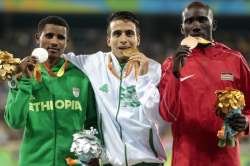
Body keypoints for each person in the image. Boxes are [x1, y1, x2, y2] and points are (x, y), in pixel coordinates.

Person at [64, 11, 166, 166]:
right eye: (117, 34)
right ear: (108, 40)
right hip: (110, 163)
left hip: (147, 162)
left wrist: (144, 79)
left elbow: (158, 117)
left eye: (129, 34)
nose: (123, 39)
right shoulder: (93, 64)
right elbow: (57, 57)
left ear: (138, 39)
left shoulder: (155, 70)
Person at [159, 1, 250, 166]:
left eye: (202, 20)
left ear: (213, 25)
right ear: (182, 28)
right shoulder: (171, 64)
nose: (196, 26)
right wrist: (175, 74)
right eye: (189, 21)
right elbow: (167, 114)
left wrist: (246, 122)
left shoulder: (235, 60)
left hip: (226, 160)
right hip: (187, 160)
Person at [4, 16, 99, 166]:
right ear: (38, 38)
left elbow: (92, 122)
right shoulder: (21, 74)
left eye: (61, 37)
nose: (54, 41)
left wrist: (91, 154)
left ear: (66, 42)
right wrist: (26, 81)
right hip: (32, 163)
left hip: (71, 163)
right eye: (49, 36)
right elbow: (15, 122)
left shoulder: (81, 78)